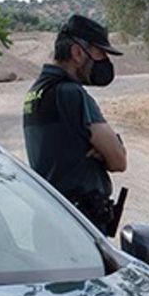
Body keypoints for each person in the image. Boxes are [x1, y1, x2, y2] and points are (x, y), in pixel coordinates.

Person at [23, 14, 128, 234]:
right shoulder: (72, 94)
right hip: (78, 225)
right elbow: (118, 160)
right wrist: (108, 150)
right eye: (100, 54)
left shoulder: (37, 91)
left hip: (50, 219)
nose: (104, 63)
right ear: (78, 53)